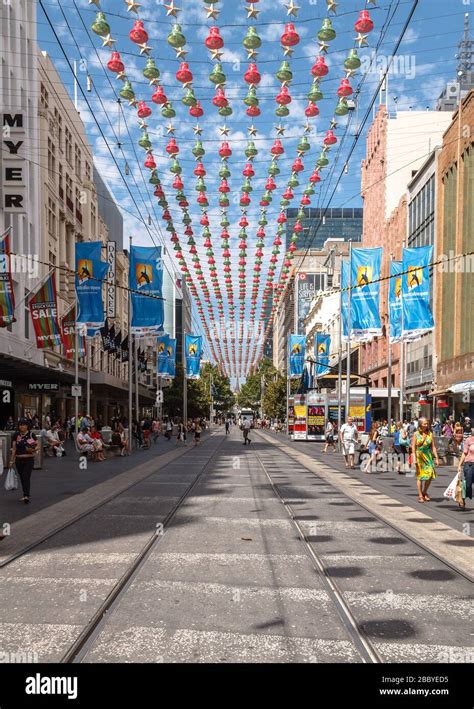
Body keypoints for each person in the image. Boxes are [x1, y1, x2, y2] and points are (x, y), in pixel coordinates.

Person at [9, 418, 38, 504]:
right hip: (18, 459)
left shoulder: (31, 434)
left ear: (27, 426)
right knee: (22, 477)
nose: (22, 426)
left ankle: (26, 496)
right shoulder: (16, 435)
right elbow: (14, 449)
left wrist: (32, 450)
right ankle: (25, 493)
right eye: (20, 425)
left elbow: (37, 446)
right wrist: (11, 461)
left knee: (26, 476)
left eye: (24, 425)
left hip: (28, 459)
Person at [412, 418, 440, 503]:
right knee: (420, 476)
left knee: (430, 474)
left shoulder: (430, 434)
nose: (426, 425)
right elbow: (413, 447)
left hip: (428, 456)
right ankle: (420, 495)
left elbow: (433, 447)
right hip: (419, 456)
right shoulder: (416, 434)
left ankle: (424, 492)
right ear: (420, 424)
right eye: (425, 424)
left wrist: (436, 458)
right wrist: (414, 458)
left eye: (427, 423)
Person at [457, 432, 474, 509]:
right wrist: (459, 465)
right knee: (468, 484)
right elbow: (464, 453)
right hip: (469, 464)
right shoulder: (468, 440)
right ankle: (462, 499)